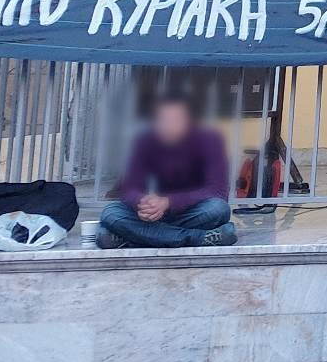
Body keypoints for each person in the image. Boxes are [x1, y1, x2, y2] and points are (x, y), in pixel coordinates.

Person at [97, 95, 236, 249]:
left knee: (218, 209)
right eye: (162, 120)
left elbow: (217, 191)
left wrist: (168, 202)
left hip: (193, 211)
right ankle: (198, 238)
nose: (168, 126)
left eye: (175, 120)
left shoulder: (210, 141)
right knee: (110, 213)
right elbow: (129, 188)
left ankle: (134, 238)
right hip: (154, 214)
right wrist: (142, 203)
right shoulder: (145, 141)